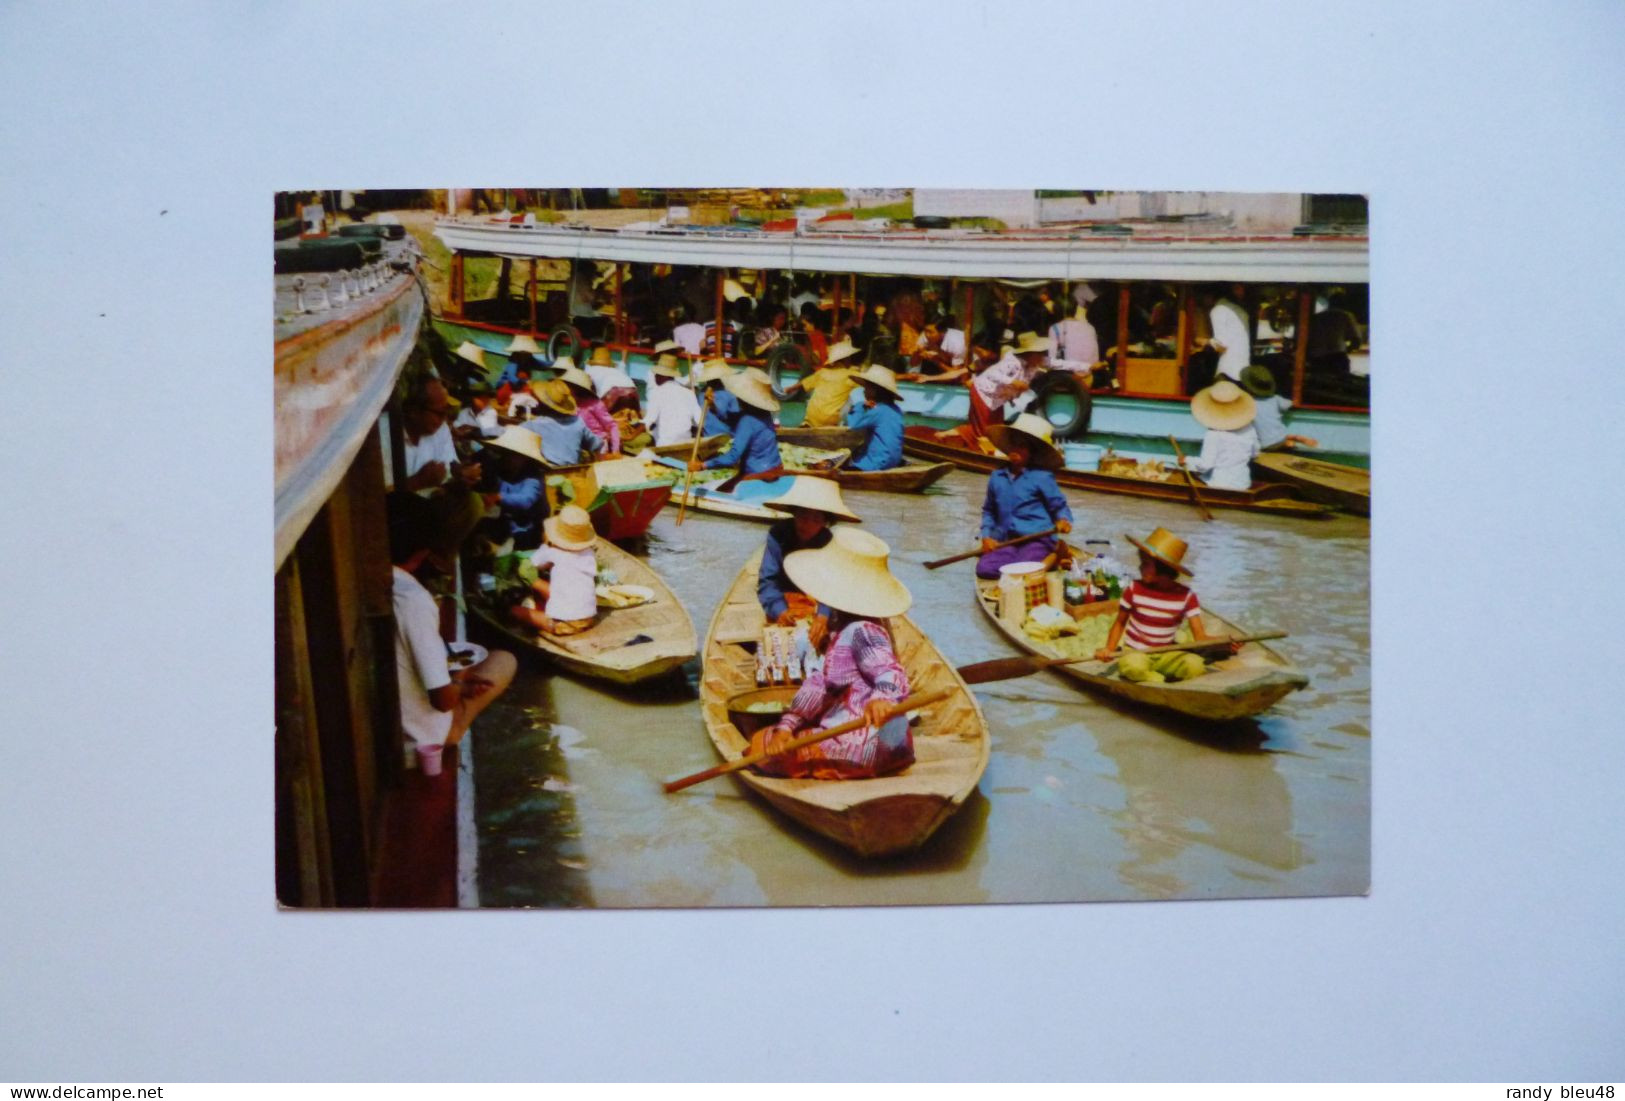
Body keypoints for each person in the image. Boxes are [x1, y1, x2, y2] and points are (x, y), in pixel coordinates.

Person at [747, 526, 915, 780]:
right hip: (889, 745)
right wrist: (788, 725)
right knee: (777, 737)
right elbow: (819, 684)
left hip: (864, 748)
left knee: (761, 746)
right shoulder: (844, 631)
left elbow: (890, 672)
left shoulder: (862, 631)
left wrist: (882, 700)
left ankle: (839, 766)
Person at [388, 491, 516, 764]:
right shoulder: (413, 600)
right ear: (425, 551)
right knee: (505, 660)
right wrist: (461, 675)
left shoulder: (379, 584)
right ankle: (458, 726)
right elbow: (444, 701)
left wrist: (462, 680)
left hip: (395, 719)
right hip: (421, 737)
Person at [1093, 527, 1233, 682]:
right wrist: (1108, 650)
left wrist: (1224, 642)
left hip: (1167, 653)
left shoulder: (1186, 596)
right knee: (1132, 666)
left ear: (1162, 569)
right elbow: (1120, 623)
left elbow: (1200, 637)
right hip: (1136, 653)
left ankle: (1152, 679)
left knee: (1195, 665)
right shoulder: (1134, 588)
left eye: (1145, 564)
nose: (1140, 567)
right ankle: (1158, 681)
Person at [975, 412, 1074, 579]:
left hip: (1037, 539)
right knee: (984, 569)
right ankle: (1044, 563)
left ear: (1031, 452)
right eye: (1013, 444)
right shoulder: (997, 477)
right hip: (1007, 540)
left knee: (1024, 571)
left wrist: (1063, 520)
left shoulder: (1042, 477)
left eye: (1022, 446)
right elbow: (989, 511)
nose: (1015, 449)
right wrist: (987, 537)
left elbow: (1059, 507)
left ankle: (1055, 555)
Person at [757, 477, 861, 634]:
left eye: (816, 519)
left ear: (825, 522)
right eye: (802, 515)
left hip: (816, 598)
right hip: (784, 596)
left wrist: (823, 615)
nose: (807, 524)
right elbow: (768, 580)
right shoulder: (778, 534)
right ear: (794, 513)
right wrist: (780, 610)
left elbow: (831, 585)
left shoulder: (830, 543)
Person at [507, 504, 599, 637]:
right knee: (562, 589)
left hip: (565, 624)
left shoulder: (552, 552)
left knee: (515, 611)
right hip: (588, 616)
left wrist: (546, 544)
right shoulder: (588, 552)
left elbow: (534, 563)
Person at [962, 331, 1050, 441]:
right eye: (1040, 353)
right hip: (984, 393)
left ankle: (953, 435)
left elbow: (1056, 363)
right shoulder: (1012, 362)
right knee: (985, 430)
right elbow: (993, 374)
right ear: (1030, 354)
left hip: (997, 398)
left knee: (996, 429)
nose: (1043, 356)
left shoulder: (1032, 366)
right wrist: (1013, 382)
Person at [691, 371, 781, 478]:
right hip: (776, 466)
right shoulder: (764, 413)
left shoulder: (747, 421)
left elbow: (733, 457)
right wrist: (713, 406)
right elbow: (732, 419)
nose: (736, 398)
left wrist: (703, 465)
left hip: (758, 474)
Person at [479, 426, 549, 551]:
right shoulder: (502, 469)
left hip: (526, 530)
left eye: (513, 455)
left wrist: (499, 497)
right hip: (504, 523)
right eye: (506, 453)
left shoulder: (533, 478)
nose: (507, 458)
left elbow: (525, 500)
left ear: (525, 459)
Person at [1183, 379, 1261, 490]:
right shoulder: (1249, 429)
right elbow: (1255, 454)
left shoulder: (1214, 434)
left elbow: (1205, 465)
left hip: (1220, 484)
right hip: (1243, 484)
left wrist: (1186, 460)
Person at [521, 378, 604, 465]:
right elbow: (597, 444)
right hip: (572, 468)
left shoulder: (534, 424)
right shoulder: (578, 422)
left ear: (543, 404)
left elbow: (512, 434)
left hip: (547, 468)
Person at [779, 339, 861, 427]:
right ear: (846, 359)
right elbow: (866, 384)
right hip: (829, 418)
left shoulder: (822, 372)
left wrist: (789, 388)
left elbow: (803, 383)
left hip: (811, 416)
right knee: (853, 399)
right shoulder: (851, 374)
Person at [1238, 365, 1318, 451]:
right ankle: (1292, 440)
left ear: (1247, 387)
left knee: (1266, 439)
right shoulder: (1276, 399)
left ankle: (1290, 441)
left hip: (1265, 443)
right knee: (1280, 436)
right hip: (1282, 435)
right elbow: (1292, 404)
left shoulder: (1246, 403)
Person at [844, 363, 906, 471]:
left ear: (875, 390)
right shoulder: (896, 409)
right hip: (893, 461)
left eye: (867, 387)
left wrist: (860, 406)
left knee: (849, 460)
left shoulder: (877, 410)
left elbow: (853, 425)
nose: (864, 390)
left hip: (878, 462)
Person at [557, 358, 621, 456]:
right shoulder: (565, 403)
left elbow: (612, 425)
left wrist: (615, 450)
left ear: (576, 388)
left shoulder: (594, 404)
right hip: (576, 443)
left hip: (597, 445)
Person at [643, 352, 703, 447]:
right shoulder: (689, 393)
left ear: (662, 376)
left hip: (664, 445)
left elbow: (648, 421)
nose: (655, 377)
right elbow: (700, 421)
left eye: (657, 374)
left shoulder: (657, 392)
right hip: (685, 443)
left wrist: (631, 434)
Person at [1306, 289, 1364, 376]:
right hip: (1337, 357)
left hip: (1317, 358)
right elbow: (1356, 341)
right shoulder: (1346, 316)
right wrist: (1346, 350)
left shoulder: (1317, 317)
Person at [1047, 284, 1102, 376]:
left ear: (1056, 309)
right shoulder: (1090, 327)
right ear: (1075, 309)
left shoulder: (1055, 328)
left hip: (1071, 378)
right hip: (1090, 375)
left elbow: (1052, 361)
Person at [1204, 283, 1251, 382]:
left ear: (1210, 296)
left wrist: (1204, 341)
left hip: (1228, 371)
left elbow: (1222, 346)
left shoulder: (1218, 310)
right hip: (1244, 371)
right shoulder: (1240, 311)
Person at [585, 346, 640, 415]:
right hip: (632, 391)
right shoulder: (614, 370)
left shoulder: (590, 370)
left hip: (613, 393)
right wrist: (624, 357)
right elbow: (622, 367)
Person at [696, 359, 740, 437]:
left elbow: (733, 417)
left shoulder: (702, 393)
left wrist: (713, 405)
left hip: (718, 436)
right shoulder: (729, 393)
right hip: (718, 436)